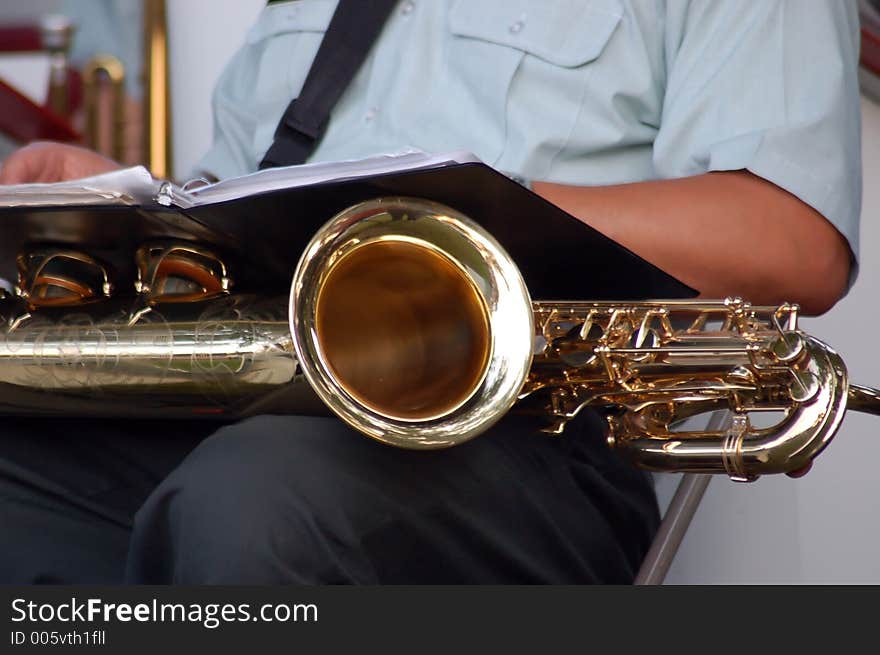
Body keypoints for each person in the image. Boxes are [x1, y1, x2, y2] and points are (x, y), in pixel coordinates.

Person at [0, 0, 861, 583]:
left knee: (254, 502)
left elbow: (792, 240)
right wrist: (117, 200)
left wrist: (464, 216)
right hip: (258, 397)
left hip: (527, 433)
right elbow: (232, 212)